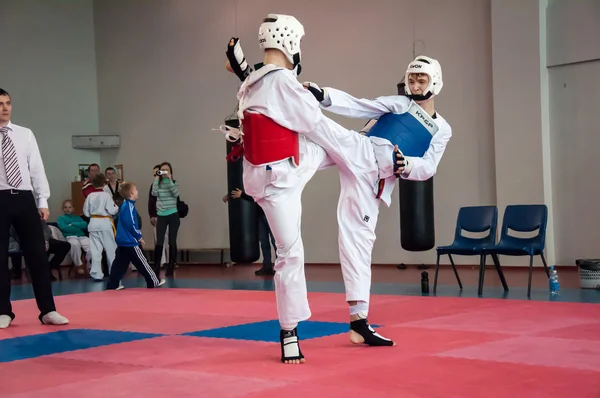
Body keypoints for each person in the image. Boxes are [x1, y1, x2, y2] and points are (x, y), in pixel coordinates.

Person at [0, 87, 68, 328]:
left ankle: (48, 310)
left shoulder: (25, 134)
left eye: (8, 103)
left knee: (37, 253)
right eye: (0, 104)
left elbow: (36, 167)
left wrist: (43, 200)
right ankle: (3, 311)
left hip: (24, 197)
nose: (5, 108)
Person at [106, 182, 165, 290]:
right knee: (142, 262)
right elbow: (131, 224)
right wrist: (139, 236)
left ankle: (112, 285)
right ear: (132, 193)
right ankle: (153, 280)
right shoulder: (129, 207)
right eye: (136, 189)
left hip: (123, 241)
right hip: (130, 241)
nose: (137, 191)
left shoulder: (125, 205)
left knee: (119, 264)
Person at [223, 188, 276, 276]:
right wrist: (230, 195)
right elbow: (246, 189)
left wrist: (242, 195)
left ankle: (280, 268)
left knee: (275, 243)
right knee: (264, 242)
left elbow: (259, 197)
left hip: (270, 214)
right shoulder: (254, 181)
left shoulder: (267, 182)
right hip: (260, 215)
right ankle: (267, 267)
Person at [83, 173, 119, 280]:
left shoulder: (89, 196)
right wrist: (117, 207)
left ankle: (96, 274)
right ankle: (114, 272)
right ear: (104, 183)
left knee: (95, 250)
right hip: (104, 222)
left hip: (93, 222)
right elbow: (113, 210)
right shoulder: (106, 195)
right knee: (111, 249)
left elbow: (85, 212)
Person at [151, 162, 180, 277]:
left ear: (170, 171)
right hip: (161, 214)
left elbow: (176, 194)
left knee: (172, 241)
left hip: (173, 214)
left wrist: (170, 180)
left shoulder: (174, 182)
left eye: (166, 170)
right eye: (162, 170)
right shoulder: (157, 182)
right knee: (159, 241)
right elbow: (154, 193)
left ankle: (171, 267)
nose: (164, 172)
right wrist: (156, 178)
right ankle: (156, 267)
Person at [57, 199, 92, 275]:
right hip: (70, 237)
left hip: (81, 236)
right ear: (63, 209)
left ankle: (90, 266)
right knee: (75, 244)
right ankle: (78, 266)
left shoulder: (78, 218)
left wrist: (72, 224)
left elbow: (85, 225)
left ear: (73, 208)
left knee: (91, 245)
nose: (67, 209)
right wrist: (77, 227)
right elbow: (64, 228)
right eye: (65, 207)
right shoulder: (61, 218)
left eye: (69, 207)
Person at [149, 164, 168, 269]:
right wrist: (152, 215)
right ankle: (161, 261)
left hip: (169, 213)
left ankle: (170, 261)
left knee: (169, 239)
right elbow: (151, 201)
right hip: (158, 214)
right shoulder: (154, 185)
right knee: (159, 239)